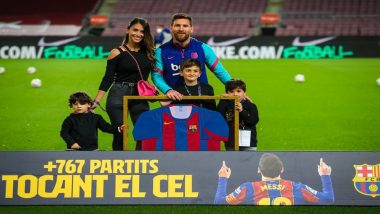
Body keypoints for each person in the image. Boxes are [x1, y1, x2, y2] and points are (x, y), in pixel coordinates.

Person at [92, 18, 155, 150]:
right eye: (135, 30)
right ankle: (119, 164)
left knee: (144, 132)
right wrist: (97, 100)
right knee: (120, 133)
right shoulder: (116, 52)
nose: (138, 34)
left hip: (139, 95)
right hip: (118, 94)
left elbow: (157, 74)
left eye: (142, 31)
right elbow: (107, 78)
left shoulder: (149, 52)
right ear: (128, 30)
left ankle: (139, 163)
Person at [152, 13, 232, 101]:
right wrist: (168, 90)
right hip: (175, 101)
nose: (181, 29)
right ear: (171, 28)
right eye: (177, 25)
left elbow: (220, 71)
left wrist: (235, 89)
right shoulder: (161, 51)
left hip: (202, 101)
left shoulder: (203, 48)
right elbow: (156, 76)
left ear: (191, 29)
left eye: (185, 26)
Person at [214, 153, 335, 205]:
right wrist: (325, 176)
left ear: (258, 170)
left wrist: (223, 178)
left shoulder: (247, 188)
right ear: (282, 169)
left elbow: (219, 202)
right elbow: (328, 199)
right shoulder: (297, 187)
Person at [217, 79, 259, 150]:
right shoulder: (225, 104)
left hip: (249, 143)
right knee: (232, 160)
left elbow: (253, 121)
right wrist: (222, 100)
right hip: (231, 142)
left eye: (238, 91)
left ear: (244, 93)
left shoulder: (251, 105)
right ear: (227, 93)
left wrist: (242, 111)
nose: (235, 94)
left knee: (249, 161)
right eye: (231, 91)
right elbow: (219, 118)